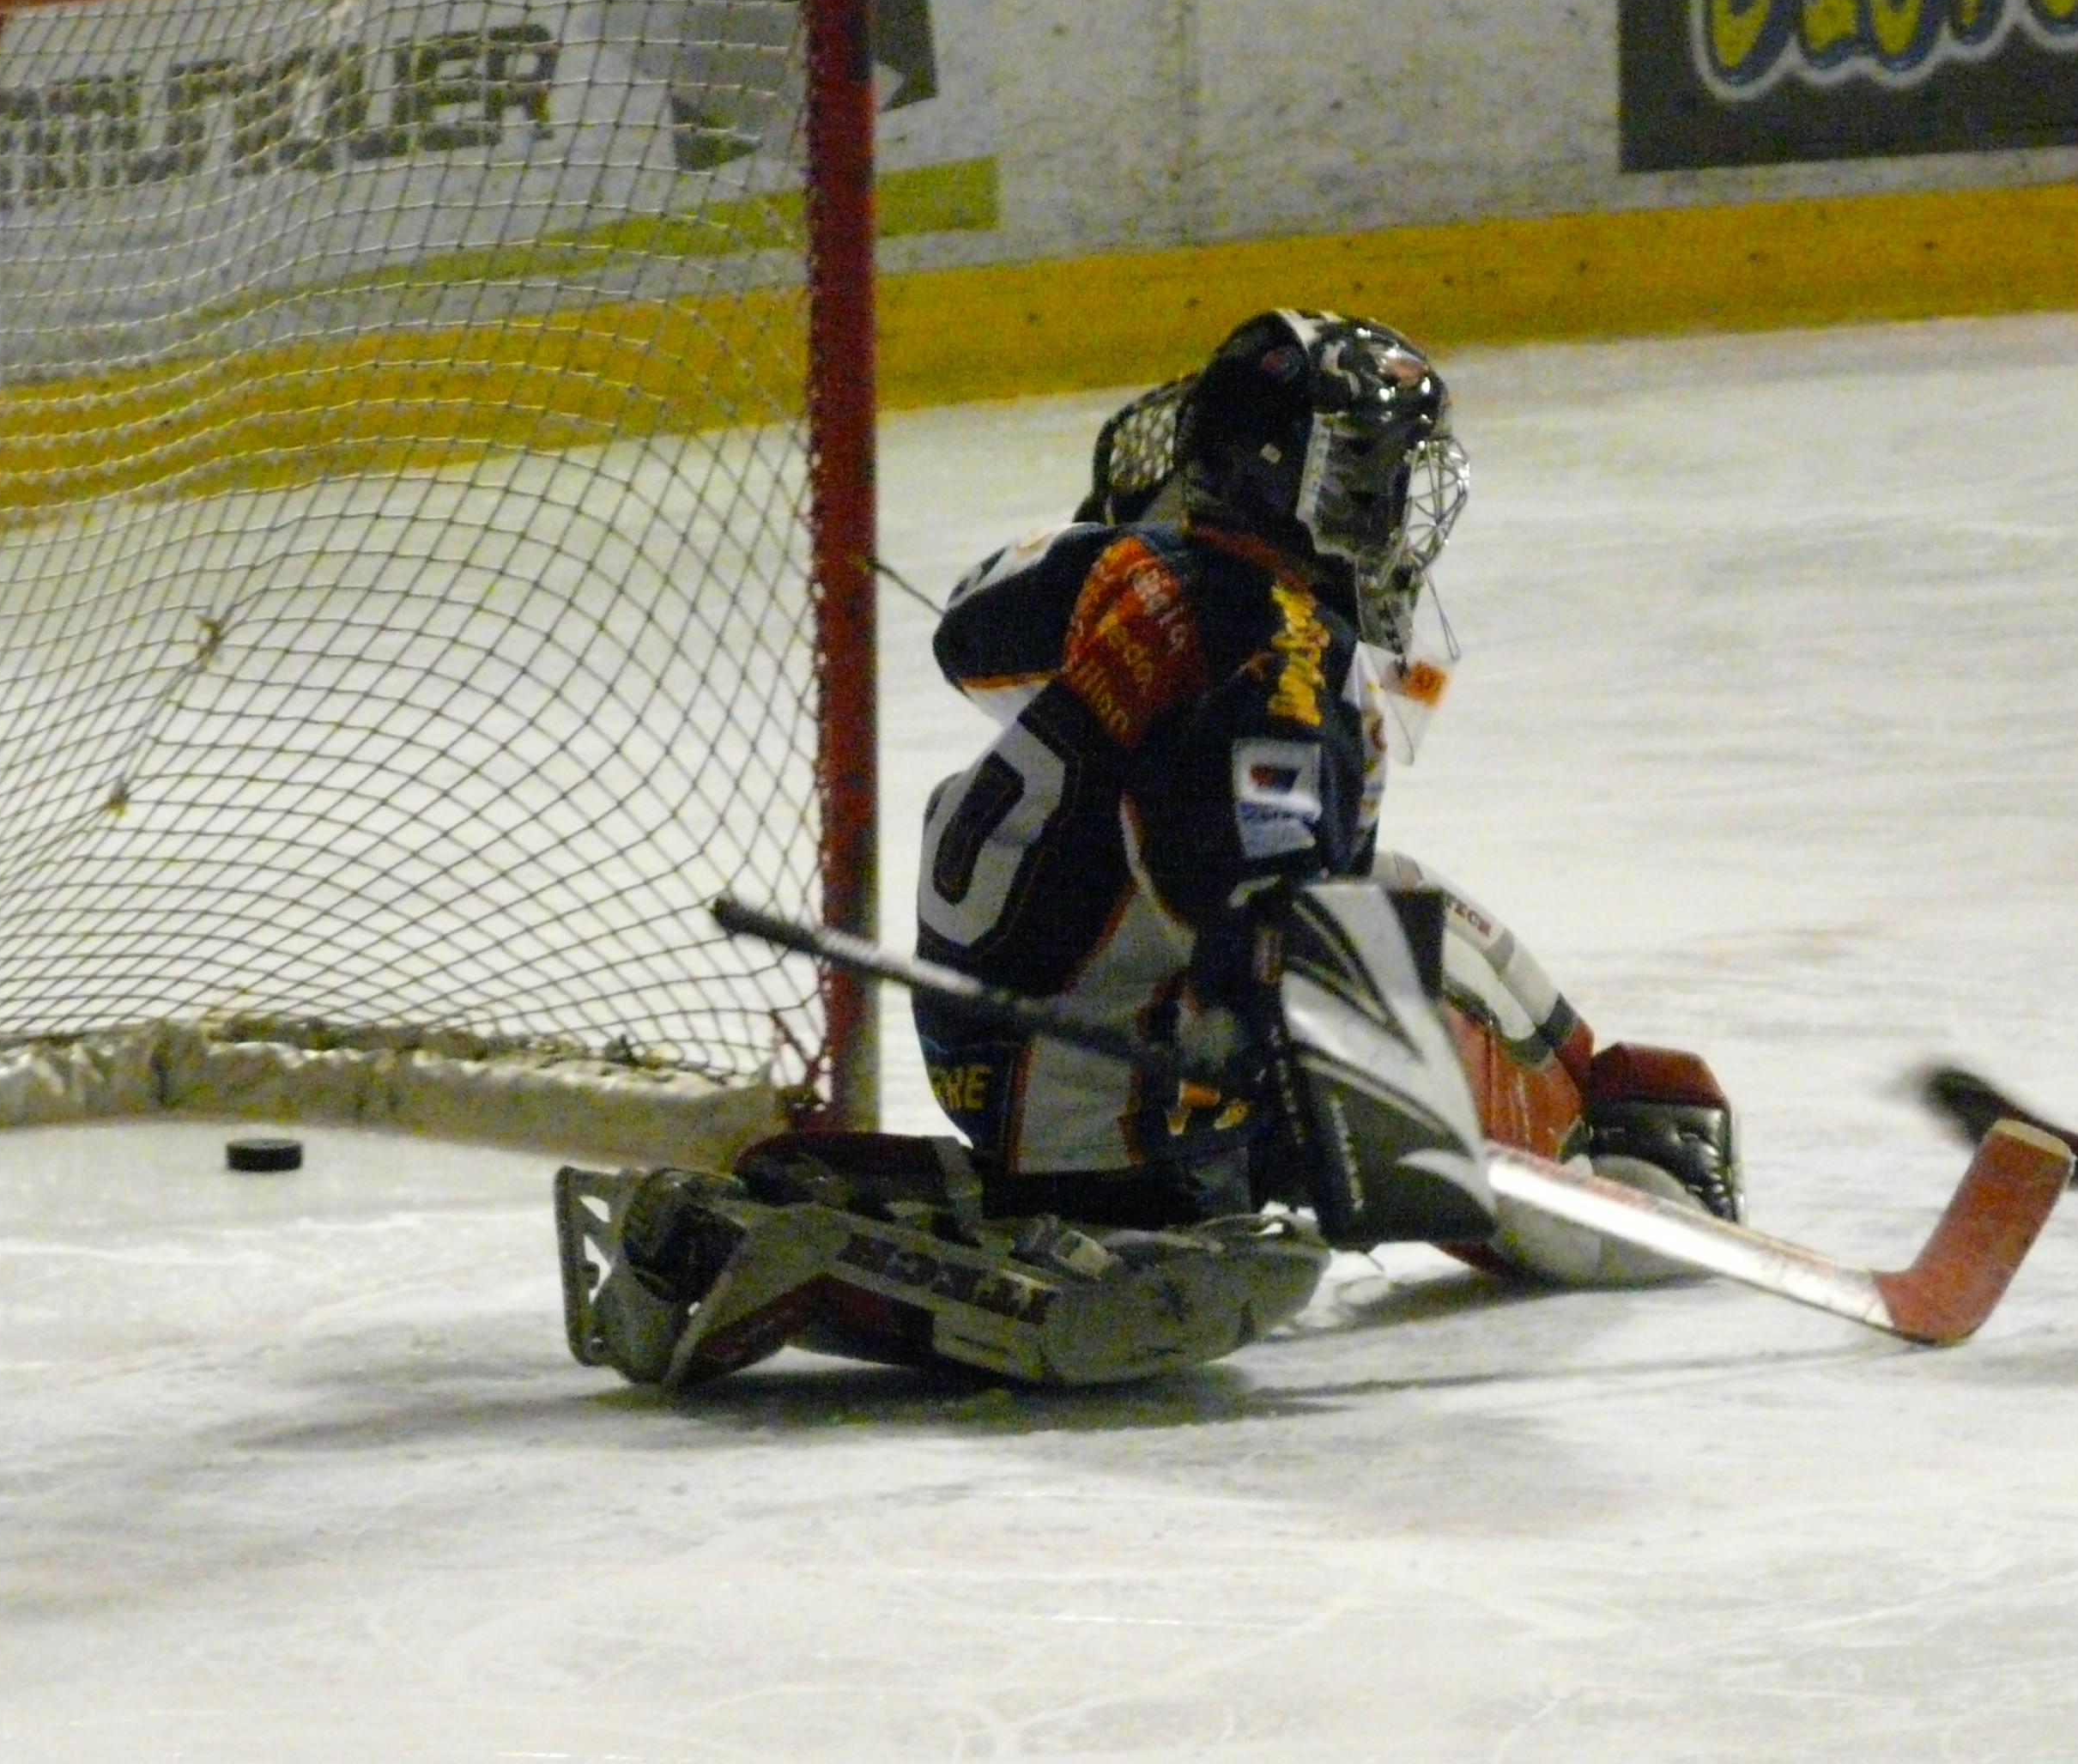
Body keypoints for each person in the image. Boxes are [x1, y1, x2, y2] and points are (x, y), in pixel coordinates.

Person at [556, 310, 1742, 1389]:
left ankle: (878, 1211)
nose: (1400, 509)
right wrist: (1294, 1040)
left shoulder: (1131, 572)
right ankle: (1620, 1176)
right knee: (1391, 922)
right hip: (1121, 1075)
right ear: (1298, 477)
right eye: (1377, 475)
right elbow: (1254, 899)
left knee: (1351, 946)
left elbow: (972, 633)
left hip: (1014, 1044)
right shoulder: (1275, 649)